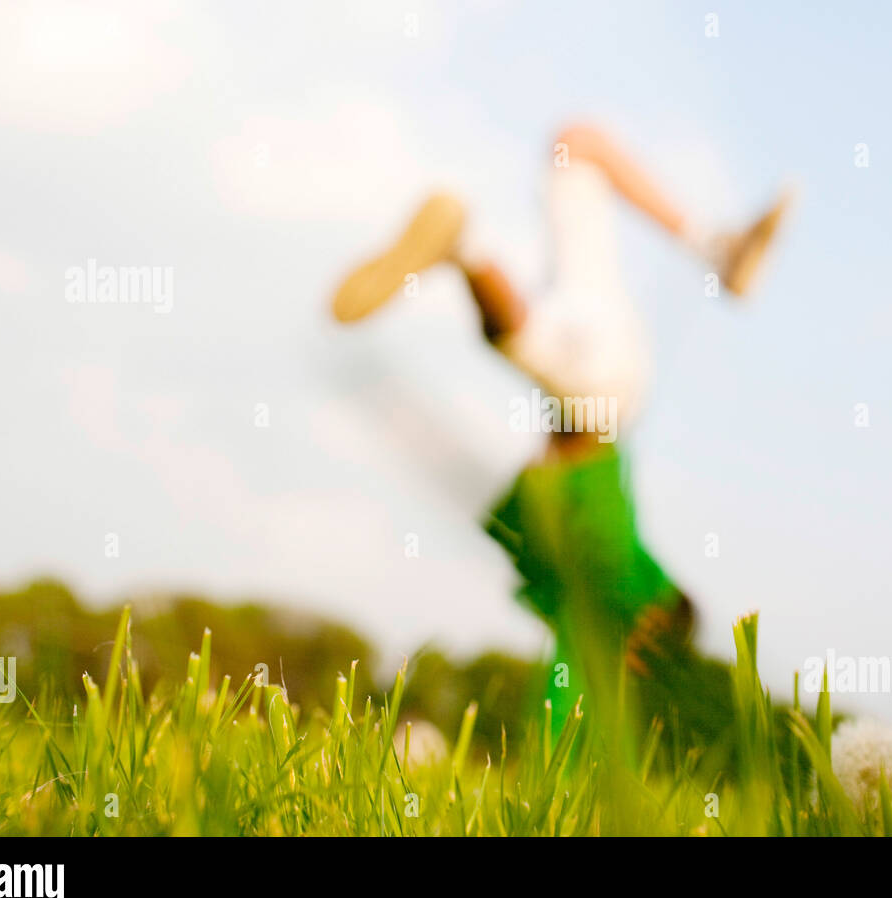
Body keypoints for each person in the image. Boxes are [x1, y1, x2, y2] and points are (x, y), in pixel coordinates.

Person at [331, 123, 793, 740]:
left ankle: (717, 249)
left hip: (599, 349)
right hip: (601, 395)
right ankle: (466, 247)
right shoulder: (609, 592)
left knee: (576, 147)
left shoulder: (594, 571)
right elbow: (571, 692)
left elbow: (512, 535)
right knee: (521, 336)